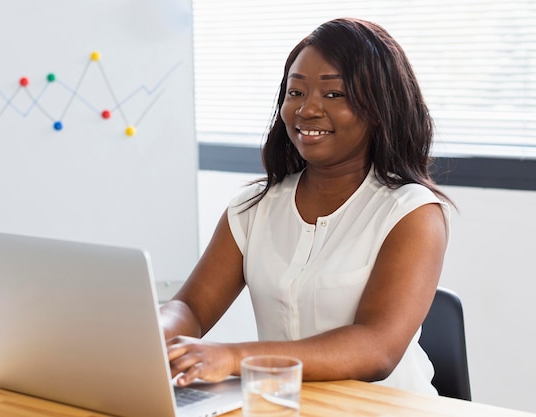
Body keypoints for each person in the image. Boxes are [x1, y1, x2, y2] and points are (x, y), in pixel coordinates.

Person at [160, 17, 453, 396]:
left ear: (380, 107)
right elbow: (192, 308)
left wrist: (234, 357)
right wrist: (155, 331)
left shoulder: (412, 212)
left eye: (334, 95)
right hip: (287, 405)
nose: (307, 110)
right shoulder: (253, 208)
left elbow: (377, 347)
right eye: (296, 93)